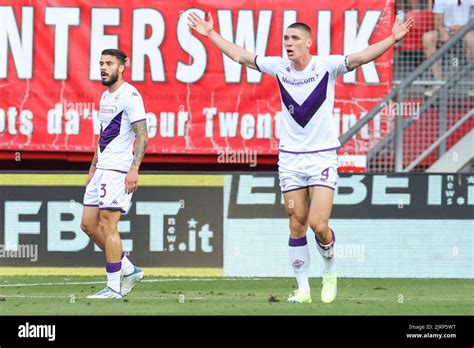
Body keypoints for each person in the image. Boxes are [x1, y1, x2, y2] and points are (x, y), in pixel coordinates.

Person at [188, 12, 413, 304]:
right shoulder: (279, 67)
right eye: (286, 39)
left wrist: (392, 39)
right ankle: (303, 289)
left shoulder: (326, 66)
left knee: (319, 223)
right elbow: (241, 56)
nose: (289, 44)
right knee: (297, 221)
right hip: (291, 160)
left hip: (321, 157)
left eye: (295, 39)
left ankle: (330, 266)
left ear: (309, 42)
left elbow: (359, 58)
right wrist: (210, 34)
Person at [81, 48, 148, 299]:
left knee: (108, 224)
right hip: (102, 168)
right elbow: (103, 135)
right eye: (101, 63)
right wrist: (93, 166)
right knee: (88, 223)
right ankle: (128, 269)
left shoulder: (130, 95)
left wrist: (134, 169)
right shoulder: (105, 97)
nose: (103, 67)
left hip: (119, 169)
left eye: (109, 63)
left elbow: (142, 136)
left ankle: (113, 287)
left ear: (122, 67)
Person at [422, 0, 474, 90]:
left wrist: (463, 28)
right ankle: (437, 81)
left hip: (467, 30)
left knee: (472, 40)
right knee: (428, 38)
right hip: (447, 30)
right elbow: (437, 20)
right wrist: (442, 31)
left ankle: (472, 83)